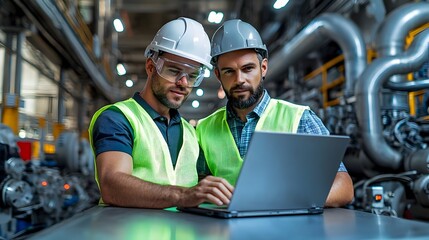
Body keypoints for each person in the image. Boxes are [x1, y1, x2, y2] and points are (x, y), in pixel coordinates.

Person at [196, 19, 354, 207]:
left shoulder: (299, 119)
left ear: (263, 68)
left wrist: (287, 201)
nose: (239, 80)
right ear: (217, 75)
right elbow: (198, 184)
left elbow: (344, 187)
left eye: (248, 69)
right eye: (229, 71)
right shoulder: (204, 128)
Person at [88, 17, 233, 209]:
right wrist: (182, 196)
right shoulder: (118, 118)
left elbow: (197, 187)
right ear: (150, 67)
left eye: (192, 76)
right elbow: (111, 184)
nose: (183, 83)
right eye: (174, 71)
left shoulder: (190, 133)